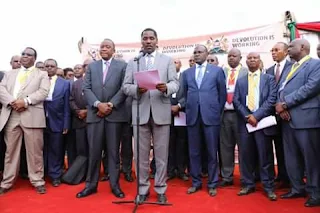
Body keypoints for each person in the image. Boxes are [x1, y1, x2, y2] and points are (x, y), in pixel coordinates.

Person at [123, 28, 179, 203]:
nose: (148, 41)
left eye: (151, 38)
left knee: (161, 155)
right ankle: (142, 189)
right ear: (141, 41)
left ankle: (161, 189)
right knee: (140, 155)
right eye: (145, 38)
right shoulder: (134, 62)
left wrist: (166, 88)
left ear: (157, 41)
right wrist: (136, 90)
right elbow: (125, 86)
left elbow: (175, 83)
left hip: (161, 111)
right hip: (140, 112)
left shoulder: (167, 60)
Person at [77, 38, 127, 199]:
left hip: (114, 115)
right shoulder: (92, 67)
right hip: (95, 115)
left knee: (113, 152)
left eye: (107, 47)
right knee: (94, 151)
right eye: (102, 47)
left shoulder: (123, 66)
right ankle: (90, 185)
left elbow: (124, 88)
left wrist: (110, 105)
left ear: (113, 50)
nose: (104, 49)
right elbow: (86, 88)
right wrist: (98, 104)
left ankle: (115, 185)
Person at [276, 38, 320, 207]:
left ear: (302, 47)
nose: (288, 49)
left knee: (311, 159)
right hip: (287, 119)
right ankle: (297, 188)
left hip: (307, 119)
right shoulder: (290, 67)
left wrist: (286, 103)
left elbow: (311, 87)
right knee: (291, 157)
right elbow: (282, 89)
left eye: (291, 46)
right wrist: (282, 107)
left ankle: (316, 193)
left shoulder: (315, 65)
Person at [0, 47, 50, 195]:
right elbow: (1, 90)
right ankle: (7, 181)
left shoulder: (42, 74)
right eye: (23, 54)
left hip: (32, 114)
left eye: (29, 55)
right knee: (10, 152)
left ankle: (37, 181)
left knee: (35, 151)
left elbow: (43, 92)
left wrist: (26, 102)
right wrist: (13, 102)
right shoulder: (9, 74)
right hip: (11, 114)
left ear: (34, 58)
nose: (25, 56)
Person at [182, 45, 226, 197]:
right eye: (194, 52)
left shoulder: (217, 71)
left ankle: (213, 183)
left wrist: (216, 112)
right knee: (194, 152)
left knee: (211, 151)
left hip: (211, 117)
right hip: (193, 117)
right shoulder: (186, 73)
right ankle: (196, 182)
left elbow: (222, 94)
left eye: (200, 52)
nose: (197, 54)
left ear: (207, 54)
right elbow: (184, 94)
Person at [233, 52, 277, 201]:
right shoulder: (240, 81)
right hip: (246, 124)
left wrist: (256, 116)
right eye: (249, 58)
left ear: (259, 61)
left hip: (262, 123)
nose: (252, 60)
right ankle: (247, 184)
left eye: (255, 58)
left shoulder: (269, 79)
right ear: (246, 61)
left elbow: (272, 99)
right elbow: (236, 101)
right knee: (245, 156)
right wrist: (248, 116)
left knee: (265, 157)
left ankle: (268, 187)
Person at [219, 48, 248, 187]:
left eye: (234, 56)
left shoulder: (246, 72)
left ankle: (245, 178)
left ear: (240, 58)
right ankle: (226, 177)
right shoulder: (221, 72)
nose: (231, 58)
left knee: (244, 148)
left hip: (241, 116)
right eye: (229, 56)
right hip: (224, 114)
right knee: (225, 147)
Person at [265, 42, 292, 188]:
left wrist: (283, 106)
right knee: (277, 147)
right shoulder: (269, 70)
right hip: (272, 116)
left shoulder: (293, 67)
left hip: (288, 114)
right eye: (272, 50)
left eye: (277, 50)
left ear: (286, 52)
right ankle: (281, 176)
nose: (273, 52)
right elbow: (268, 92)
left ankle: (291, 177)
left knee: (289, 148)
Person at [43, 59, 70, 187]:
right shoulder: (37, 81)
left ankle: (55, 175)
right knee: (40, 149)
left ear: (56, 68)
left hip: (57, 121)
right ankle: (41, 173)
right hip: (38, 120)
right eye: (46, 66)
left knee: (56, 149)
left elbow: (66, 105)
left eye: (52, 66)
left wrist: (66, 123)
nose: (49, 68)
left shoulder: (64, 84)